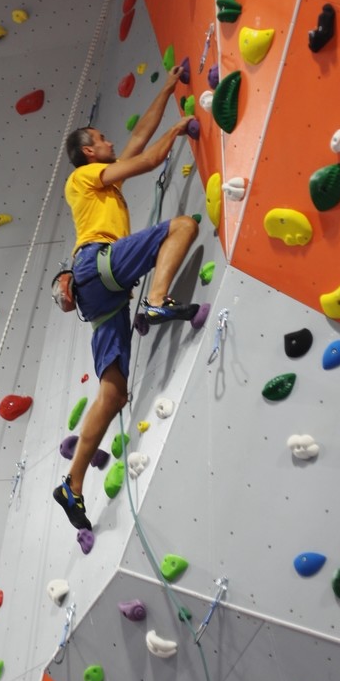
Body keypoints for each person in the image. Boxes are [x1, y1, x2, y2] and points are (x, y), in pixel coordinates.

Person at [53, 66, 199, 531]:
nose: (111, 140)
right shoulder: (84, 178)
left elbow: (138, 139)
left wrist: (168, 88)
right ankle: (158, 299)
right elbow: (150, 158)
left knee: (113, 394)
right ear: (88, 152)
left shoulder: (103, 183)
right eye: (102, 138)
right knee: (182, 226)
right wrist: (179, 128)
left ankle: (72, 485)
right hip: (98, 265)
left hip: (102, 293)